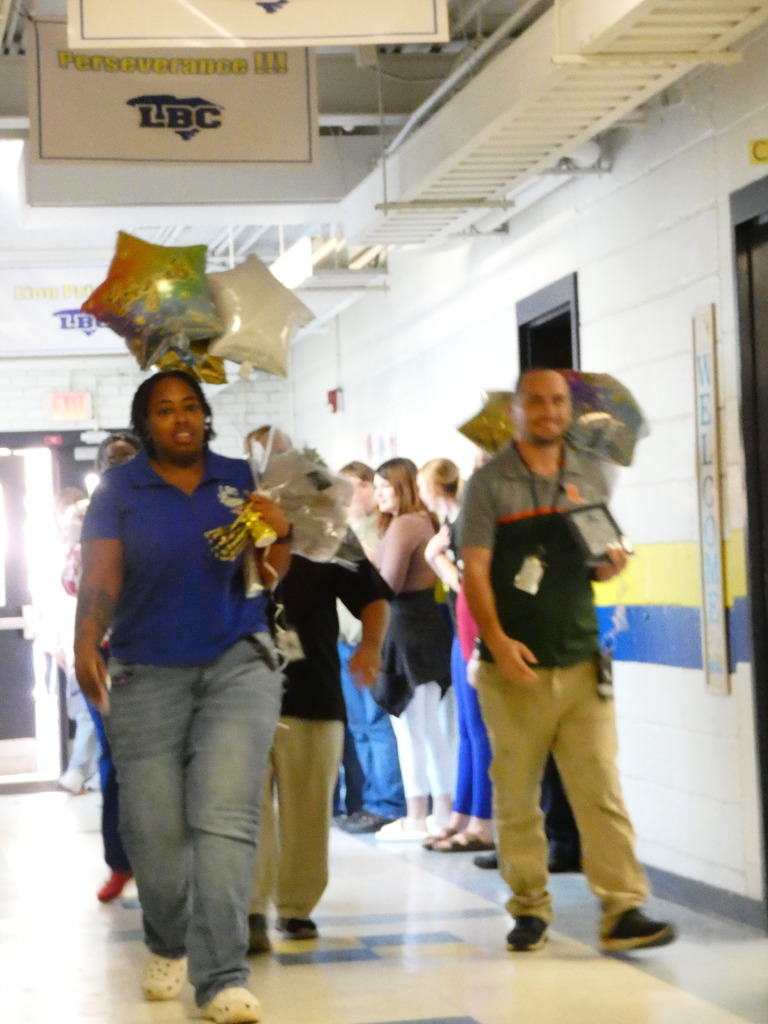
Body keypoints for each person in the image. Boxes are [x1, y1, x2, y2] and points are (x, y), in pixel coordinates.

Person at [74, 369, 291, 1024]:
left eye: (190, 406)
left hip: (237, 660)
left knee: (225, 818)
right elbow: (101, 574)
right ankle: (168, 937)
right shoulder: (120, 488)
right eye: (165, 410)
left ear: (205, 415)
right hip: (145, 669)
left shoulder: (238, 478)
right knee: (155, 830)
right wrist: (88, 637)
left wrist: (275, 533)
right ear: (147, 426)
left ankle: (223, 976)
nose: (181, 419)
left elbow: (270, 575)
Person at [461, 367, 676, 954]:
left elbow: (599, 561)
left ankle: (622, 907)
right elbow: (474, 571)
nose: (549, 411)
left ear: (567, 410)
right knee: (517, 796)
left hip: (582, 660)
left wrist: (612, 564)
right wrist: (499, 643)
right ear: (516, 411)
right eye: (537, 401)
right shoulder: (489, 484)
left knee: (600, 789)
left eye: (558, 402)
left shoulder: (587, 474)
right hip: (514, 669)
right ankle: (529, 908)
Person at [248, 544, 390, 952]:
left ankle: (296, 908)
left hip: (314, 690)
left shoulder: (324, 526)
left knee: (309, 809)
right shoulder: (229, 515)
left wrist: (371, 647)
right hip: (239, 695)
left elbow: (373, 596)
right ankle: (250, 909)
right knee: (244, 809)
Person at [67, 430, 142, 902]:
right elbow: (74, 580)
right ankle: (120, 863)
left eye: (128, 458)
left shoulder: (160, 510)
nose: (119, 466)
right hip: (109, 655)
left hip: (160, 652)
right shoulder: (95, 517)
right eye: (111, 460)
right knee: (116, 760)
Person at [371, 457, 455, 841]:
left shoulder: (407, 524)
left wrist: (362, 567)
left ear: (403, 486)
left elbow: (386, 585)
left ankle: (419, 814)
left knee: (412, 730)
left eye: (384, 487)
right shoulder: (422, 522)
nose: (377, 496)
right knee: (430, 730)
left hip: (408, 630)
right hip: (424, 627)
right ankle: (439, 811)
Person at [418, 458, 494, 853]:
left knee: (480, 731)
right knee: (464, 731)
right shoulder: (450, 526)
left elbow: (469, 585)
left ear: (432, 487)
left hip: (475, 632)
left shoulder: (467, 525)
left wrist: (436, 559)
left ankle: (483, 823)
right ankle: (460, 817)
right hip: (457, 630)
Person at [334, 460, 406, 834]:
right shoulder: (342, 529)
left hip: (369, 641)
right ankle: (365, 801)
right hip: (344, 641)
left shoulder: (380, 530)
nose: (344, 496)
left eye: (352, 487)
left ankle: (388, 802)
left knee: (377, 725)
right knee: (359, 727)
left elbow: (379, 586)